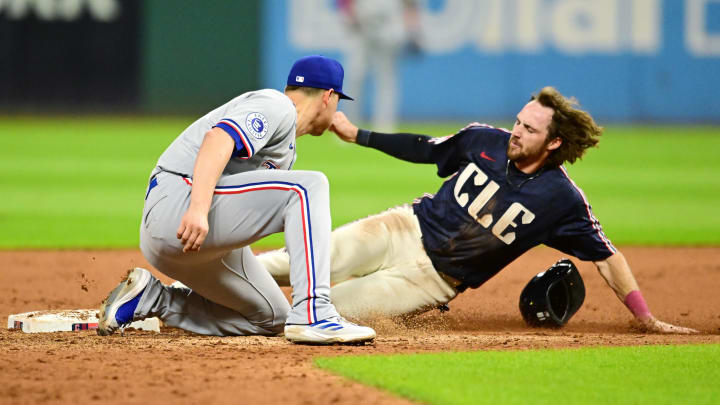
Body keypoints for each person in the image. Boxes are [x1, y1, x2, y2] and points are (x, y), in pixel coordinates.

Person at [259, 87, 696, 334]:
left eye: (529, 129)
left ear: (555, 142)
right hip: (400, 228)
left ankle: (231, 311)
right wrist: (359, 135)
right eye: (519, 121)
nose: (517, 132)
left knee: (322, 310)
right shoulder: (483, 139)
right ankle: (197, 283)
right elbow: (426, 149)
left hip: (430, 281)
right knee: (292, 260)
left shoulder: (562, 200)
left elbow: (606, 255)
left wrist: (645, 317)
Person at [97, 55, 376, 344]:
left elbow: (245, 202)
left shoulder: (287, 148)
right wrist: (197, 208)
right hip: (178, 205)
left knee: (272, 316)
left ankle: (152, 298)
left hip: (193, 241)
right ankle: (315, 312)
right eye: (339, 102)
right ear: (329, 97)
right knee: (308, 187)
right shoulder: (277, 105)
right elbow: (217, 139)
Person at [338, 0, 421, 132]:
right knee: (355, 77)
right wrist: (349, 14)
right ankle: (347, 125)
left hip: (389, 24)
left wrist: (413, 29)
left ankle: (384, 127)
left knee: (386, 79)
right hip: (361, 23)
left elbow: (410, 3)